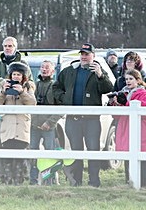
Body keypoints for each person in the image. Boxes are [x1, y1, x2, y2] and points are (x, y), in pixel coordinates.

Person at [52, 43, 114, 187]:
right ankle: (77, 181)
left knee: (93, 150)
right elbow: (56, 87)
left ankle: (94, 182)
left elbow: (108, 88)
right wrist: (64, 98)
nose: (84, 57)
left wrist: (100, 75)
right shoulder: (69, 71)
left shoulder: (98, 71)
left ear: (93, 56)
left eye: (87, 54)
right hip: (73, 119)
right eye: (82, 54)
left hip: (91, 119)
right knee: (76, 150)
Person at [0, 61, 36, 185]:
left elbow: (32, 103)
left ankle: (19, 183)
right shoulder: (5, 86)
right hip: (8, 128)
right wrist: (3, 91)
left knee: (20, 160)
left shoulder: (28, 87)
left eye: (18, 75)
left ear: (23, 76)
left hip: (21, 128)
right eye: (14, 74)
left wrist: (22, 92)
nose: (16, 77)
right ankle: (6, 183)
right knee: (7, 159)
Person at [29, 60, 63, 185]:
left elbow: (61, 109)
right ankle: (33, 180)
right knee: (33, 152)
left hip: (49, 127)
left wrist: (49, 123)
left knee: (50, 153)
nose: (44, 69)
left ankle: (50, 179)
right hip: (34, 125)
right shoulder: (34, 86)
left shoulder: (55, 87)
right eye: (42, 67)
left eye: (47, 67)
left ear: (52, 71)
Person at [110, 69, 146, 184]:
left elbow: (143, 107)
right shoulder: (123, 93)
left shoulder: (143, 93)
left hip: (139, 128)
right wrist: (115, 104)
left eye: (131, 79)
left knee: (140, 154)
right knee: (127, 153)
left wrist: (126, 103)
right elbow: (116, 115)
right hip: (124, 127)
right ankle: (128, 180)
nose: (128, 81)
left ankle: (142, 182)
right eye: (126, 79)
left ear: (138, 80)